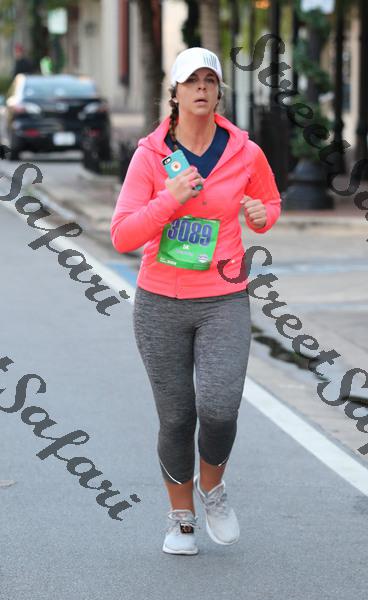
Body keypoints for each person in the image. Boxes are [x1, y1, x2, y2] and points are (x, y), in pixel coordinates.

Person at [110, 47, 281, 555]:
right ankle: (181, 518)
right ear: (176, 92)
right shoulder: (150, 156)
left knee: (220, 408)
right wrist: (171, 199)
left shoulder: (245, 152)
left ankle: (213, 489)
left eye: (210, 80)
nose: (202, 88)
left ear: (219, 91)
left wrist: (261, 216)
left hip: (223, 297)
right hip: (160, 301)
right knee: (178, 417)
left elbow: (269, 202)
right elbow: (122, 235)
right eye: (192, 81)